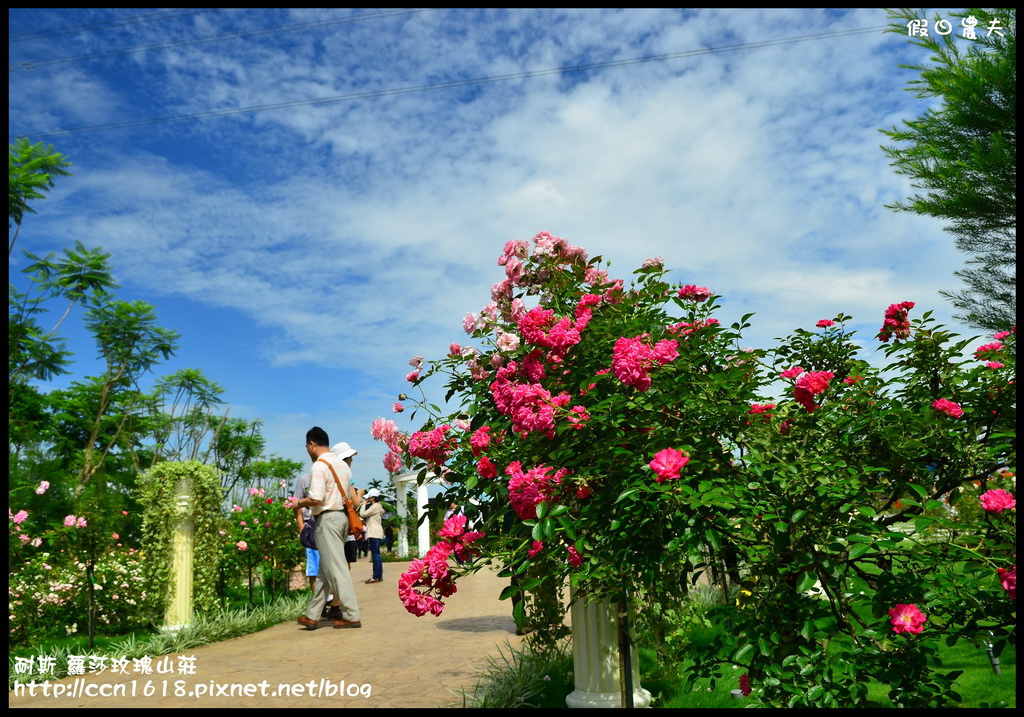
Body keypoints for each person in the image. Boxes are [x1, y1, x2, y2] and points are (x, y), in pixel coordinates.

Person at [294, 427, 361, 630]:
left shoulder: (318, 466)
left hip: (327, 519)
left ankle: (351, 614)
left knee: (337, 569)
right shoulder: (342, 466)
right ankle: (312, 615)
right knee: (325, 569)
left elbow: (316, 498)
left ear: (312, 443)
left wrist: (298, 503)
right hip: (341, 518)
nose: (307, 449)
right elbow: (349, 496)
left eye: (307, 445)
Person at [291, 471, 343, 619]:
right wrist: (301, 527)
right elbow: (296, 504)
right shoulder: (304, 479)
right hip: (311, 525)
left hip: (329, 524)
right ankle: (319, 607)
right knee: (313, 568)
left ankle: (332, 604)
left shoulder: (333, 478)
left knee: (332, 566)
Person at [359, 488, 386, 584]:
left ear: (373, 498)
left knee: (375, 555)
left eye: (369, 498)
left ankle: (376, 576)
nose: (368, 499)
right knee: (377, 555)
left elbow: (362, 514)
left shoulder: (374, 507)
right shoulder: (378, 507)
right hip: (377, 532)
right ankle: (379, 576)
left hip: (374, 532)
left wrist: (364, 503)